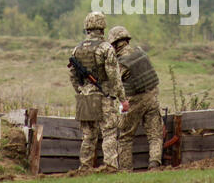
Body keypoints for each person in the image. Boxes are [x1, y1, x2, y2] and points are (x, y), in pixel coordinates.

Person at [69, 12, 129, 172]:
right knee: (109, 132)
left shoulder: (77, 50)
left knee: (88, 135)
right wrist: (123, 99)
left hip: (84, 97)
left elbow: (72, 76)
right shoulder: (106, 48)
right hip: (103, 96)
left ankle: (84, 168)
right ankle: (110, 166)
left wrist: (81, 90)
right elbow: (114, 76)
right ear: (102, 27)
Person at [108, 26, 163, 170]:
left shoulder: (121, 61)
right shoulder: (140, 52)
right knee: (155, 135)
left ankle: (126, 171)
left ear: (114, 44)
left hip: (133, 101)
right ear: (126, 40)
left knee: (125, 137)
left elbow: (114, 83)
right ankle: (154, 165)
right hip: (152, 98)